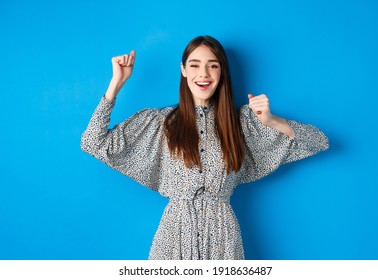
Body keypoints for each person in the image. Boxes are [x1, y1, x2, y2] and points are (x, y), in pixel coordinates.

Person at [81, 35, 329, 260]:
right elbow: (93, 142)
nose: (204, 73)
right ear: (183, 70)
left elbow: (318, 140)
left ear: (222, 72)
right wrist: (116, 84)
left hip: (223, 240)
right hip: (173, 240)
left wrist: (271, 121)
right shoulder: (160, 123)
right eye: (195, 65)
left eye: (213, 65)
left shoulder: (242, 124)